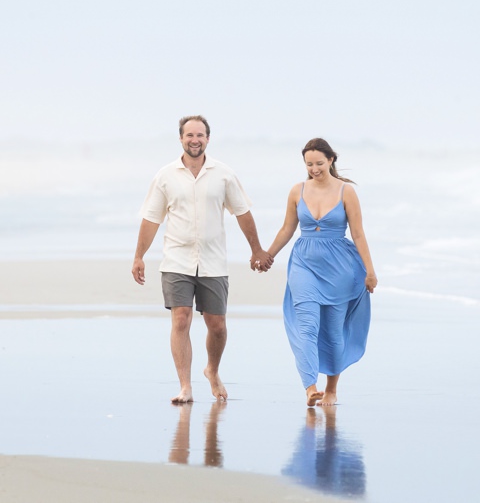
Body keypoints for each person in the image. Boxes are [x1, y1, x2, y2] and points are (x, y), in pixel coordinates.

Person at [132, 115, 273, 404]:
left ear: (208, 138)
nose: (194, 140)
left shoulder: (223, 174)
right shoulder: (165, 176)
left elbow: (243, 213)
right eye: (189, 135)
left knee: (217, 325)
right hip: (176, 261)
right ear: (181, 139)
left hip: (213, 261)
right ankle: (185, 386)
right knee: (180, 319)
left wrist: (257, 250)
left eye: (200, 135)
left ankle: (212, 369)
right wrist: (139, 256)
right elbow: (151, 219)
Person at [265, 138, 377, 406]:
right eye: (309, 164)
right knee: (307, 324)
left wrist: (370, 271)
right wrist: (268, 255)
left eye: (319, 163)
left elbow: (358, 233)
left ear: (331, 160)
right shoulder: (297, 191)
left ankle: (331, 388)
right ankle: (310, 387)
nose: (314, 169)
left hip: (340, 268)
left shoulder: (346, 192)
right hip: (304, 263)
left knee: (333, 331)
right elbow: (287, 229)